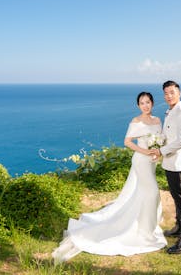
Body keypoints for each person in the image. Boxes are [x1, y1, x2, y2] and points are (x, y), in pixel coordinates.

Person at [52, 92, 167, 263]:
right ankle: (145, 233)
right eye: (142, 103)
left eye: (148, 102)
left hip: (152, 162)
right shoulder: (136, 122)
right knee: (153, 193)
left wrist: (158, 152)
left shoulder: (157, 120)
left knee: (144, 194)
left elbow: (161, 139)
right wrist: (145, 151)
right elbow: (127, 142)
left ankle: (145, 226)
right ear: (138, 106)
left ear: (152, 103)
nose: (145, 105)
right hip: (141, 161)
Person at [150, 80, 181, 254]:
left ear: (179, 93)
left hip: (177, 162)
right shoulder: (171, 111)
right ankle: (178, 226)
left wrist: (161, 150)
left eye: (172, 92)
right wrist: (158, 139)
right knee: (176, 197)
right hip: (170, 162)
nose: (169, 96)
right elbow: (169, 134)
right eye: (166, 93)